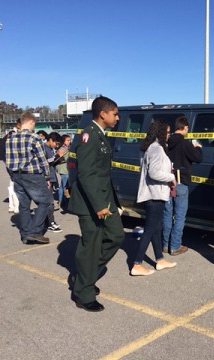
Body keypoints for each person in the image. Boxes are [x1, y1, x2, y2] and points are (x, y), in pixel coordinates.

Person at [68, 96, 125, 312]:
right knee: (90, 246)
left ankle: (85, 275)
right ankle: (83, 293)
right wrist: (99, 204)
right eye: (115, 114)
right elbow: (87, 173)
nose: (117, 118)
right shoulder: (88, 136)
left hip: (104, 200)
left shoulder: (100, 135)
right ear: (103, 114)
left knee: (117, 236)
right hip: (91, 203)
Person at [132, 120, 177, 276]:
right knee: (150, 229)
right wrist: (171, 177)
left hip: (152, 193)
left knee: (156, 228)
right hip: (155, 194)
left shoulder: (149, 148)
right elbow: (154, 173)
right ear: (161, 133)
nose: (169, 135)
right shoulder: (157, 149)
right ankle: (137, 263)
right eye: (168, 132)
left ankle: (160, 259)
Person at [5, 112, 52, 244]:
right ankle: (35, 232)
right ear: (31, 122)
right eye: (34, 124)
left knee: (24, 205)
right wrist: (47, 177)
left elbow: (8, 161)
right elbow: (43, 160)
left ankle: (25, 234)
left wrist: (12, 176)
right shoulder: (34, 138)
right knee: (45, 202)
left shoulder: (10, 139)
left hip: (16, 175)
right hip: (33, 175)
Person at [163, 115, 203, 256]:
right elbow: (198, 158)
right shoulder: (185, 144)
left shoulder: (166, 142)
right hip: (181, 182)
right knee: (179, 216)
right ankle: (175, 246)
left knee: (167, 215)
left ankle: (165, 244)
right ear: (185, 128)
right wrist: (198, 147)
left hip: (167, 182)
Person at [0, 118, 21, 214]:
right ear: (19, 125)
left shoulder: (9, 135)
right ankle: (16, 207)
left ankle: (12, 206)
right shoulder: (13, 135)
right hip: (13, 164)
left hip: (10, 163)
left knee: (12, 184)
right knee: (16, 185)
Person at [43, 132, 63, 233]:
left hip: (51, 177)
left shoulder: (50, 149)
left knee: (49, 202)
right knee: (49, 202)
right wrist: (56, 157)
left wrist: (58, 159)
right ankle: (50, 223)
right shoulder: (43, 148)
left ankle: (49, 221)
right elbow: (45, 162)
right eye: (56, 143)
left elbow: (52, 163)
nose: (56, 145)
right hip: (47, 179)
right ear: (50, 140)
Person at [55, 134, 71, 210]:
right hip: (64, 170)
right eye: (68, 140)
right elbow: (58, 159)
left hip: (63, 169)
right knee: (64, 187)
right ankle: (63, 202)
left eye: (70, 140)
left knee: (62, 187)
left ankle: (61, 201)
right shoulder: (63, 149)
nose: (69, 141)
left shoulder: (66, 148)